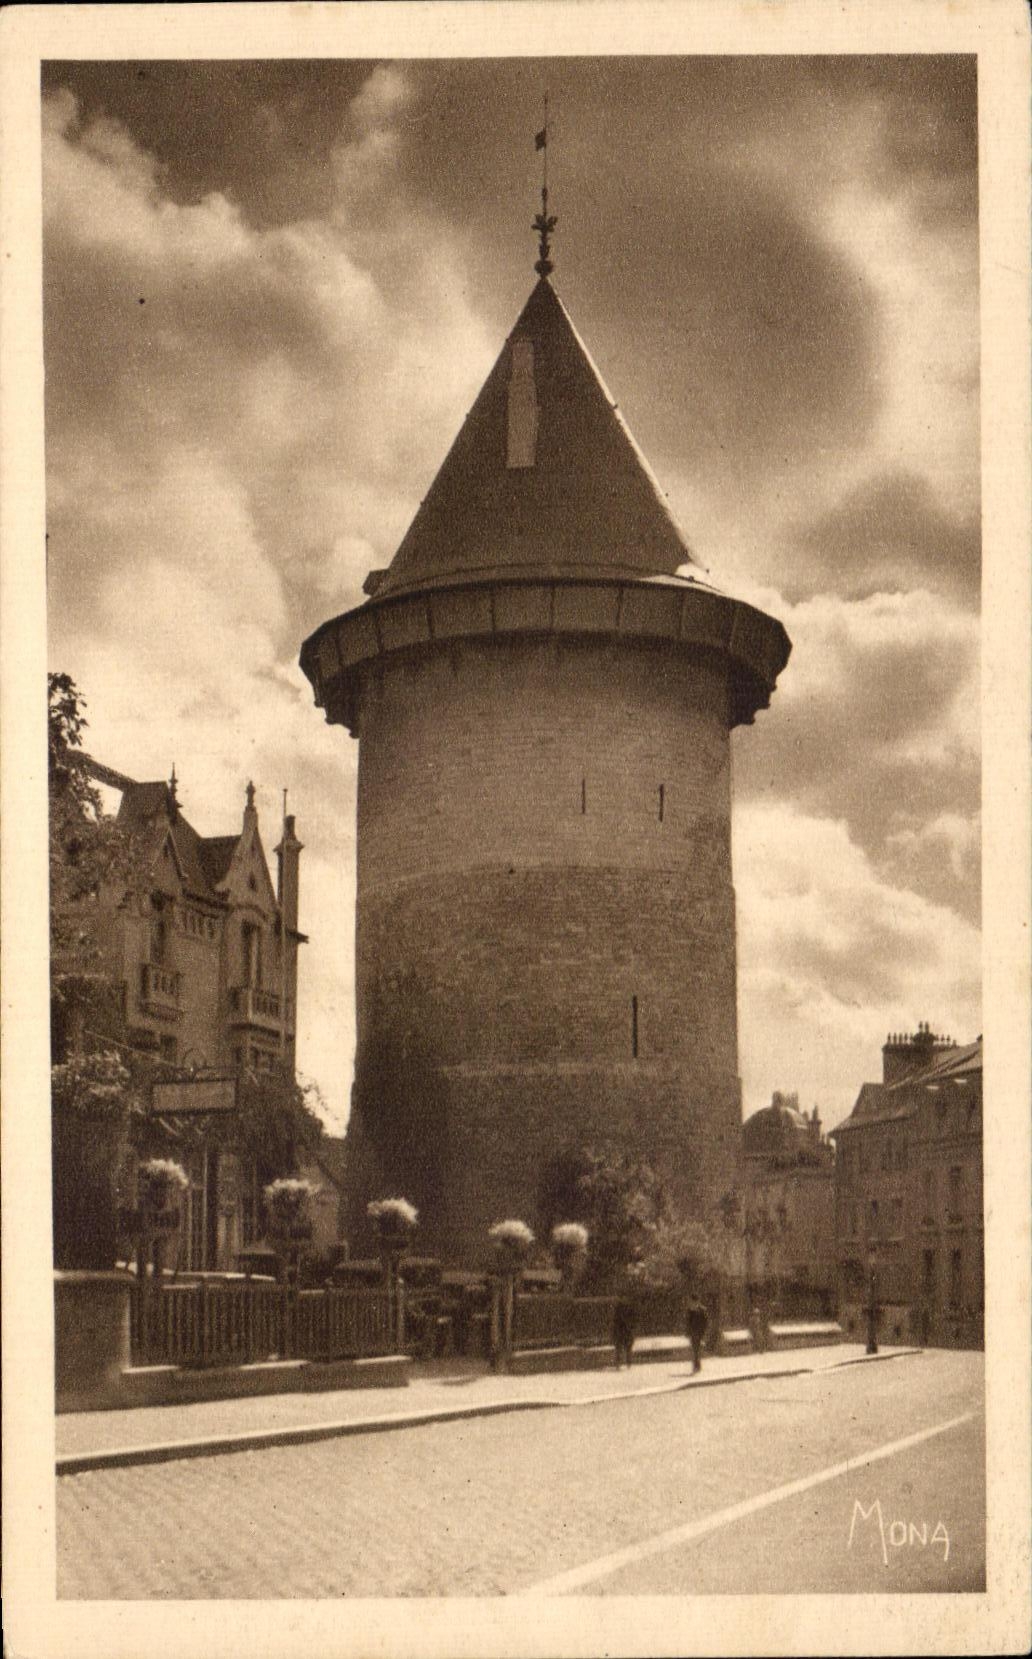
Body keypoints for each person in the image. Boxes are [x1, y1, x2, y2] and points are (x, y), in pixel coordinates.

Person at [612, 1291, 636, 1369]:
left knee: (628, 1347)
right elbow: (615, 1320)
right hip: (621, 1330)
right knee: (619, 1347)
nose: (625, 1299)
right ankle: (618, 1363)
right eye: (623, 1297)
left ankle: (628, 1362)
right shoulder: (618, 1308)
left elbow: (634, 1319)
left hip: (627, 1330)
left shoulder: (629, 1307)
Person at [685, 1295, 708, 1373]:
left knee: (697, 1350)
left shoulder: (703, 1310)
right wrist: (687, 1332)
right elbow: (688, 1322)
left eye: (693, 1301)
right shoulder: (690, 1310)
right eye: (691, 1302)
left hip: (700, 1333)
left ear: (697, 1301)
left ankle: (696, 1366)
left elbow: (705, 1323)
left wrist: (704, 1334)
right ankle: (697, 1366)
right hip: (692, 1333)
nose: (691, 1303)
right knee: (695, 1350)